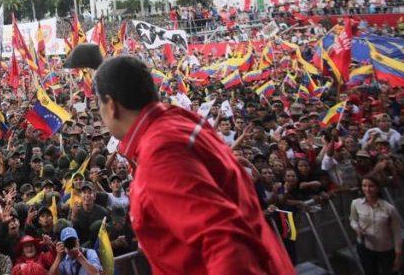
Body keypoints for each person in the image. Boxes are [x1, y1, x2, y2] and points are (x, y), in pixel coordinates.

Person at [93, 55, 294, 274]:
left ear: (111, 105)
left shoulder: (160, 153)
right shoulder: (180, 122)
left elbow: (227, 244)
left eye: (98, 104)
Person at [350, 175, 402, 275]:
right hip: (365, 247)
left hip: (386, 248)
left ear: (378, 188)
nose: (367, 189)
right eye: (364, 185)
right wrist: (357, 228)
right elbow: (353, 220)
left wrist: (398, 254)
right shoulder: (356, 204)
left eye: (371, 186)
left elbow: (397, 232)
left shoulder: (389, 208)